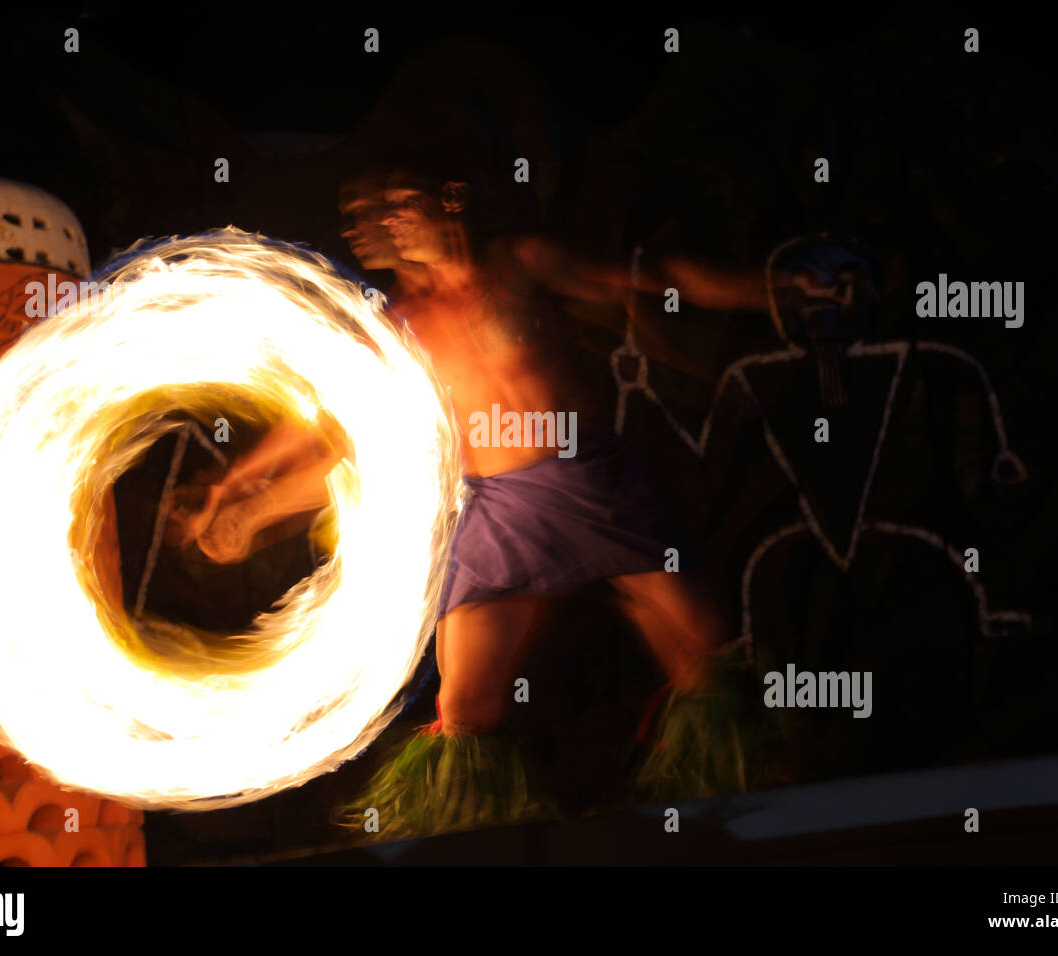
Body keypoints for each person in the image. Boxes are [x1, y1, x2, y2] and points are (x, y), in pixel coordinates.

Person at [169, 163, 750, 838]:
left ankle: (741, 818)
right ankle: (468, 845)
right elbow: (326, 424)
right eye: (361, 214)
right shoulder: (396, 324)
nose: (375, 225)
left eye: (395, 205)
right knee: (464, 709)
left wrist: (769, 289)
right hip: (498, 513)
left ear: (449, 201)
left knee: (705, 658)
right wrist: (236, 485)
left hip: (590, 486)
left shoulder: (519, 263)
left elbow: (642, 281)